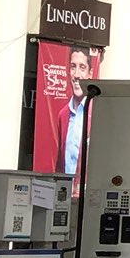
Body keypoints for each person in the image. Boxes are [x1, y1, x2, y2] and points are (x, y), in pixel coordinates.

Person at [52, 47, 93, 179]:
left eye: (82, 67)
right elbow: (60, 162)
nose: (77, 74)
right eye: (73, 67)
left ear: (90, 74)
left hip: (86, 188)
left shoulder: (97, 112)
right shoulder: (63, 115)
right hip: (66, 187)